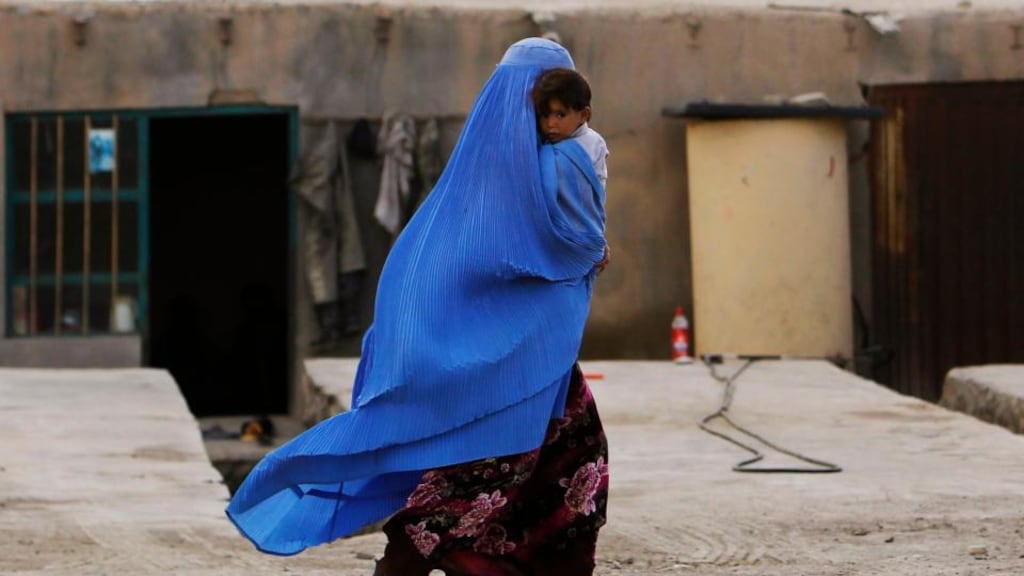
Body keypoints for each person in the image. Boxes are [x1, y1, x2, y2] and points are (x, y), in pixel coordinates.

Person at [226, 37, 610, 576]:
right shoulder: (559, 163)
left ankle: (416, 558)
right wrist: (590, 255)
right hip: (522, 374)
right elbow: (579, 249)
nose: (550, 117)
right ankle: (429, 559)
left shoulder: (455, 196)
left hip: (489, 372)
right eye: (544, 103)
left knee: (502, 471)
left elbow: (414, 288)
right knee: (541, 469)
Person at [532, 67, 611, 275]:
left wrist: (598, 238)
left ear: (584, 115)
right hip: (550, 243)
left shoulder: (593, 144)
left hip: (584, 238)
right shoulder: (540, 146)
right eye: (545, 115)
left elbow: (595, 198)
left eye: (560, 114)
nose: (551, 124)